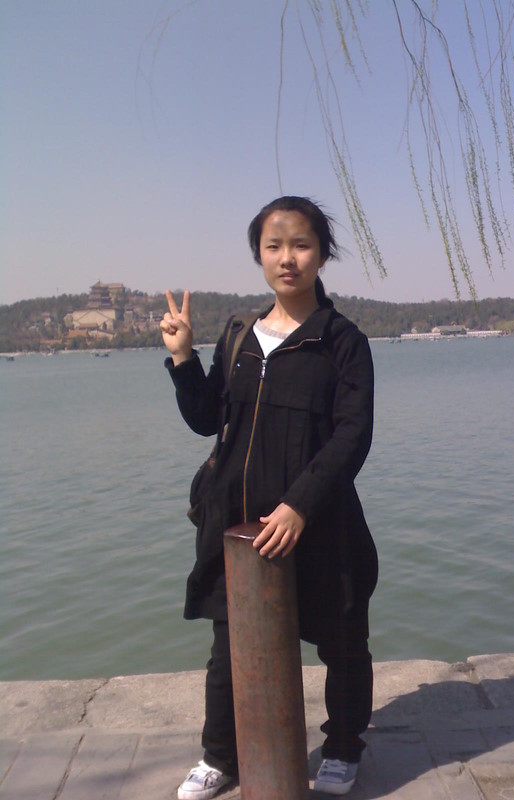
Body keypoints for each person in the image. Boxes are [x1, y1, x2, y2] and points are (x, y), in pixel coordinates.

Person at [161, 196, 378, 799]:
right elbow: (207, 420)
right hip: (239, 526)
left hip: (319, 521)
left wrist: (299, 505)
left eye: (301, 245)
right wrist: (182, 357)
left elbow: (353, 434)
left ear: (322, 254)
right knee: (228, 645)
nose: (288, 258)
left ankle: (343, 747)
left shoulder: (341, 342)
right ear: (258, 255)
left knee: (342, 640)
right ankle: (220, 756)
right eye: (273, 246)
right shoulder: (239, 336)